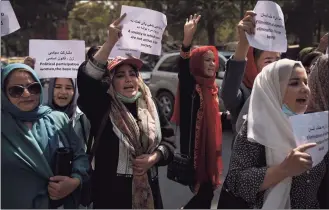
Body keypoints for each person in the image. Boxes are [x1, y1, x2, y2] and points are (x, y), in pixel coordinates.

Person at [76, 14, 176, 209]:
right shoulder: (102, 104)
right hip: (111, 196)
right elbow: (87, 81)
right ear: (111, 81)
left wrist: (153, 158)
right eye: (120, 75)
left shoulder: (150, 104)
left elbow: (169, 141)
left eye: (132, 73)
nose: (128, 79)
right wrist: (110, 42)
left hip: (149, 193)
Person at [222, 59, 328, 208]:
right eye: (294, 83)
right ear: (274, 89)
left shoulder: (311, 125)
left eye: (306, 82)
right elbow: (236, 181)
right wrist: (284, 169)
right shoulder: (256, 128)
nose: (305, 89)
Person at [1, 63, 89, 208]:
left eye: (33, 87)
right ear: (4, 93)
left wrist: (75, 181)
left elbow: (80, 156)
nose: (27, 94)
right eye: (16, 90)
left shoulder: (58, 119)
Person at [171, 14, 223, 209]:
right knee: (205, 193)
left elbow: (212, 116)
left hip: (210, 151)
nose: (212, 64)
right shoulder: (191, 86)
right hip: (195, 151)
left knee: (206, 194)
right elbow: (183, 66)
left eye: (213, 60)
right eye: (207, 60)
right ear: (197, 63)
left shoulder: (211, 88)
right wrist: (187, 40)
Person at [220, 11, 280, 135]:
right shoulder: (245, 91)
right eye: (268, 61)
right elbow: (229, 96)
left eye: (277, 60)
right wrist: (243, 44)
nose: (274, 66)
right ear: (253, 64)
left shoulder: (284, 88)